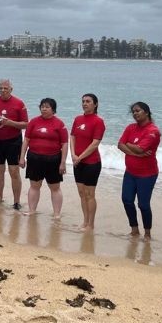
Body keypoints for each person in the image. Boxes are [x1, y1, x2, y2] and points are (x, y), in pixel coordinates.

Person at [118, 102, 161, 240]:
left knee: (143, 204)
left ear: (146, 112)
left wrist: (130, 146)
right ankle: (134, 230)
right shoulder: (130, 127)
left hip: (147, 174)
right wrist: (135, 153)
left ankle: (147, 233)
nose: (135, 113)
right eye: (133, 112)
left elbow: (140, 148)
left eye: (138, 111)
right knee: (127, 200)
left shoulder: (153, 131)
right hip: (130, 172)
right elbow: (120, 144)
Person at [19, 98, 68, 218]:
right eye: (42, 106)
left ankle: (56, 214)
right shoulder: (33, 122)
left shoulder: (60, 124)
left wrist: (63, 162)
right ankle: (32, 210)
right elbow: (26, 140)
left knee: (55, 187)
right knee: (34, 186)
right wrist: (21, 157)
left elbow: (65, 144)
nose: (44, 109)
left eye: (47, 107)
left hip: (53, 159)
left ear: (53, 109)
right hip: (34, 158)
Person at [0, 79, 28, 210]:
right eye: (1, 88)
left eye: (5, 88)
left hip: (14, 141)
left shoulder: (19, 103)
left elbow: (26, 124)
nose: (3, 90)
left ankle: (16, 202)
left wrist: (10, 123)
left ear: (11, 89)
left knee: (14, 172)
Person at [70, 93, 105, 230]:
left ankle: (91, 224)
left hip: (92, 163)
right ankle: (84, 221)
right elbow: (72, 136)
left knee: (90, 194)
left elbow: (95, 143)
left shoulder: (98, 121)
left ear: (95, 104)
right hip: (77, 162)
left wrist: (80, 157)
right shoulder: (78, 119)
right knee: (81, 193)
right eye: (83, 101)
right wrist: (73, 154)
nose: (85, 103)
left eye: (88, 101)